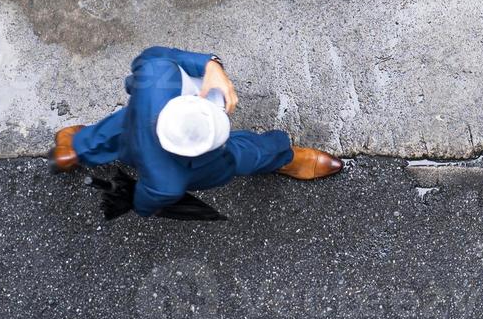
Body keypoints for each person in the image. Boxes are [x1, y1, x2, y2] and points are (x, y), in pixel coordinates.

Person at [51, 46, 342, 217]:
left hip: (134, 126)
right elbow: (144, 203)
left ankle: (74, 149)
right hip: (194, 162)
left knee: (109, 133)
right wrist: (210, 63)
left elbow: (149, 59)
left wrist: (208, 64)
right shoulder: (175, 178)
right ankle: (284, 157)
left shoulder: (157, 79)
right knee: (245, 154)